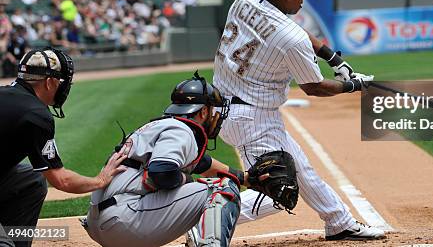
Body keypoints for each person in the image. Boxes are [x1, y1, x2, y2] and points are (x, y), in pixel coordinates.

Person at [213, 0, 385, 240]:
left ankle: (338, 222)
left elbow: (288, 27)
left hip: (225, 105)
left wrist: (332, 56)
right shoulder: (290, 38)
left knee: (301, 169)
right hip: (251, 120)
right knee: (278, 190)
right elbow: (314, 87)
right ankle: (206, 216)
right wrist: (354, 86)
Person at [83, 73, 251, 247]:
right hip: (123, 221)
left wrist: (245, 178)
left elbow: (202, 163)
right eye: (212, 110)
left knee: (220, 181)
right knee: (222, 188)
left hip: (103, 222)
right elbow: (161, 173)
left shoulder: (162, 127)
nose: (215, 117)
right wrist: (186, 179)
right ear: (203, 111)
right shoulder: (181, 131)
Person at [0, 48, 127, 247]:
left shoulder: (7, 94)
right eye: (61, 82)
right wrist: (100, 180)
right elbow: (61, 180)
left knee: (31, 180)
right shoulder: (35, 114)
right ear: (49, 82)